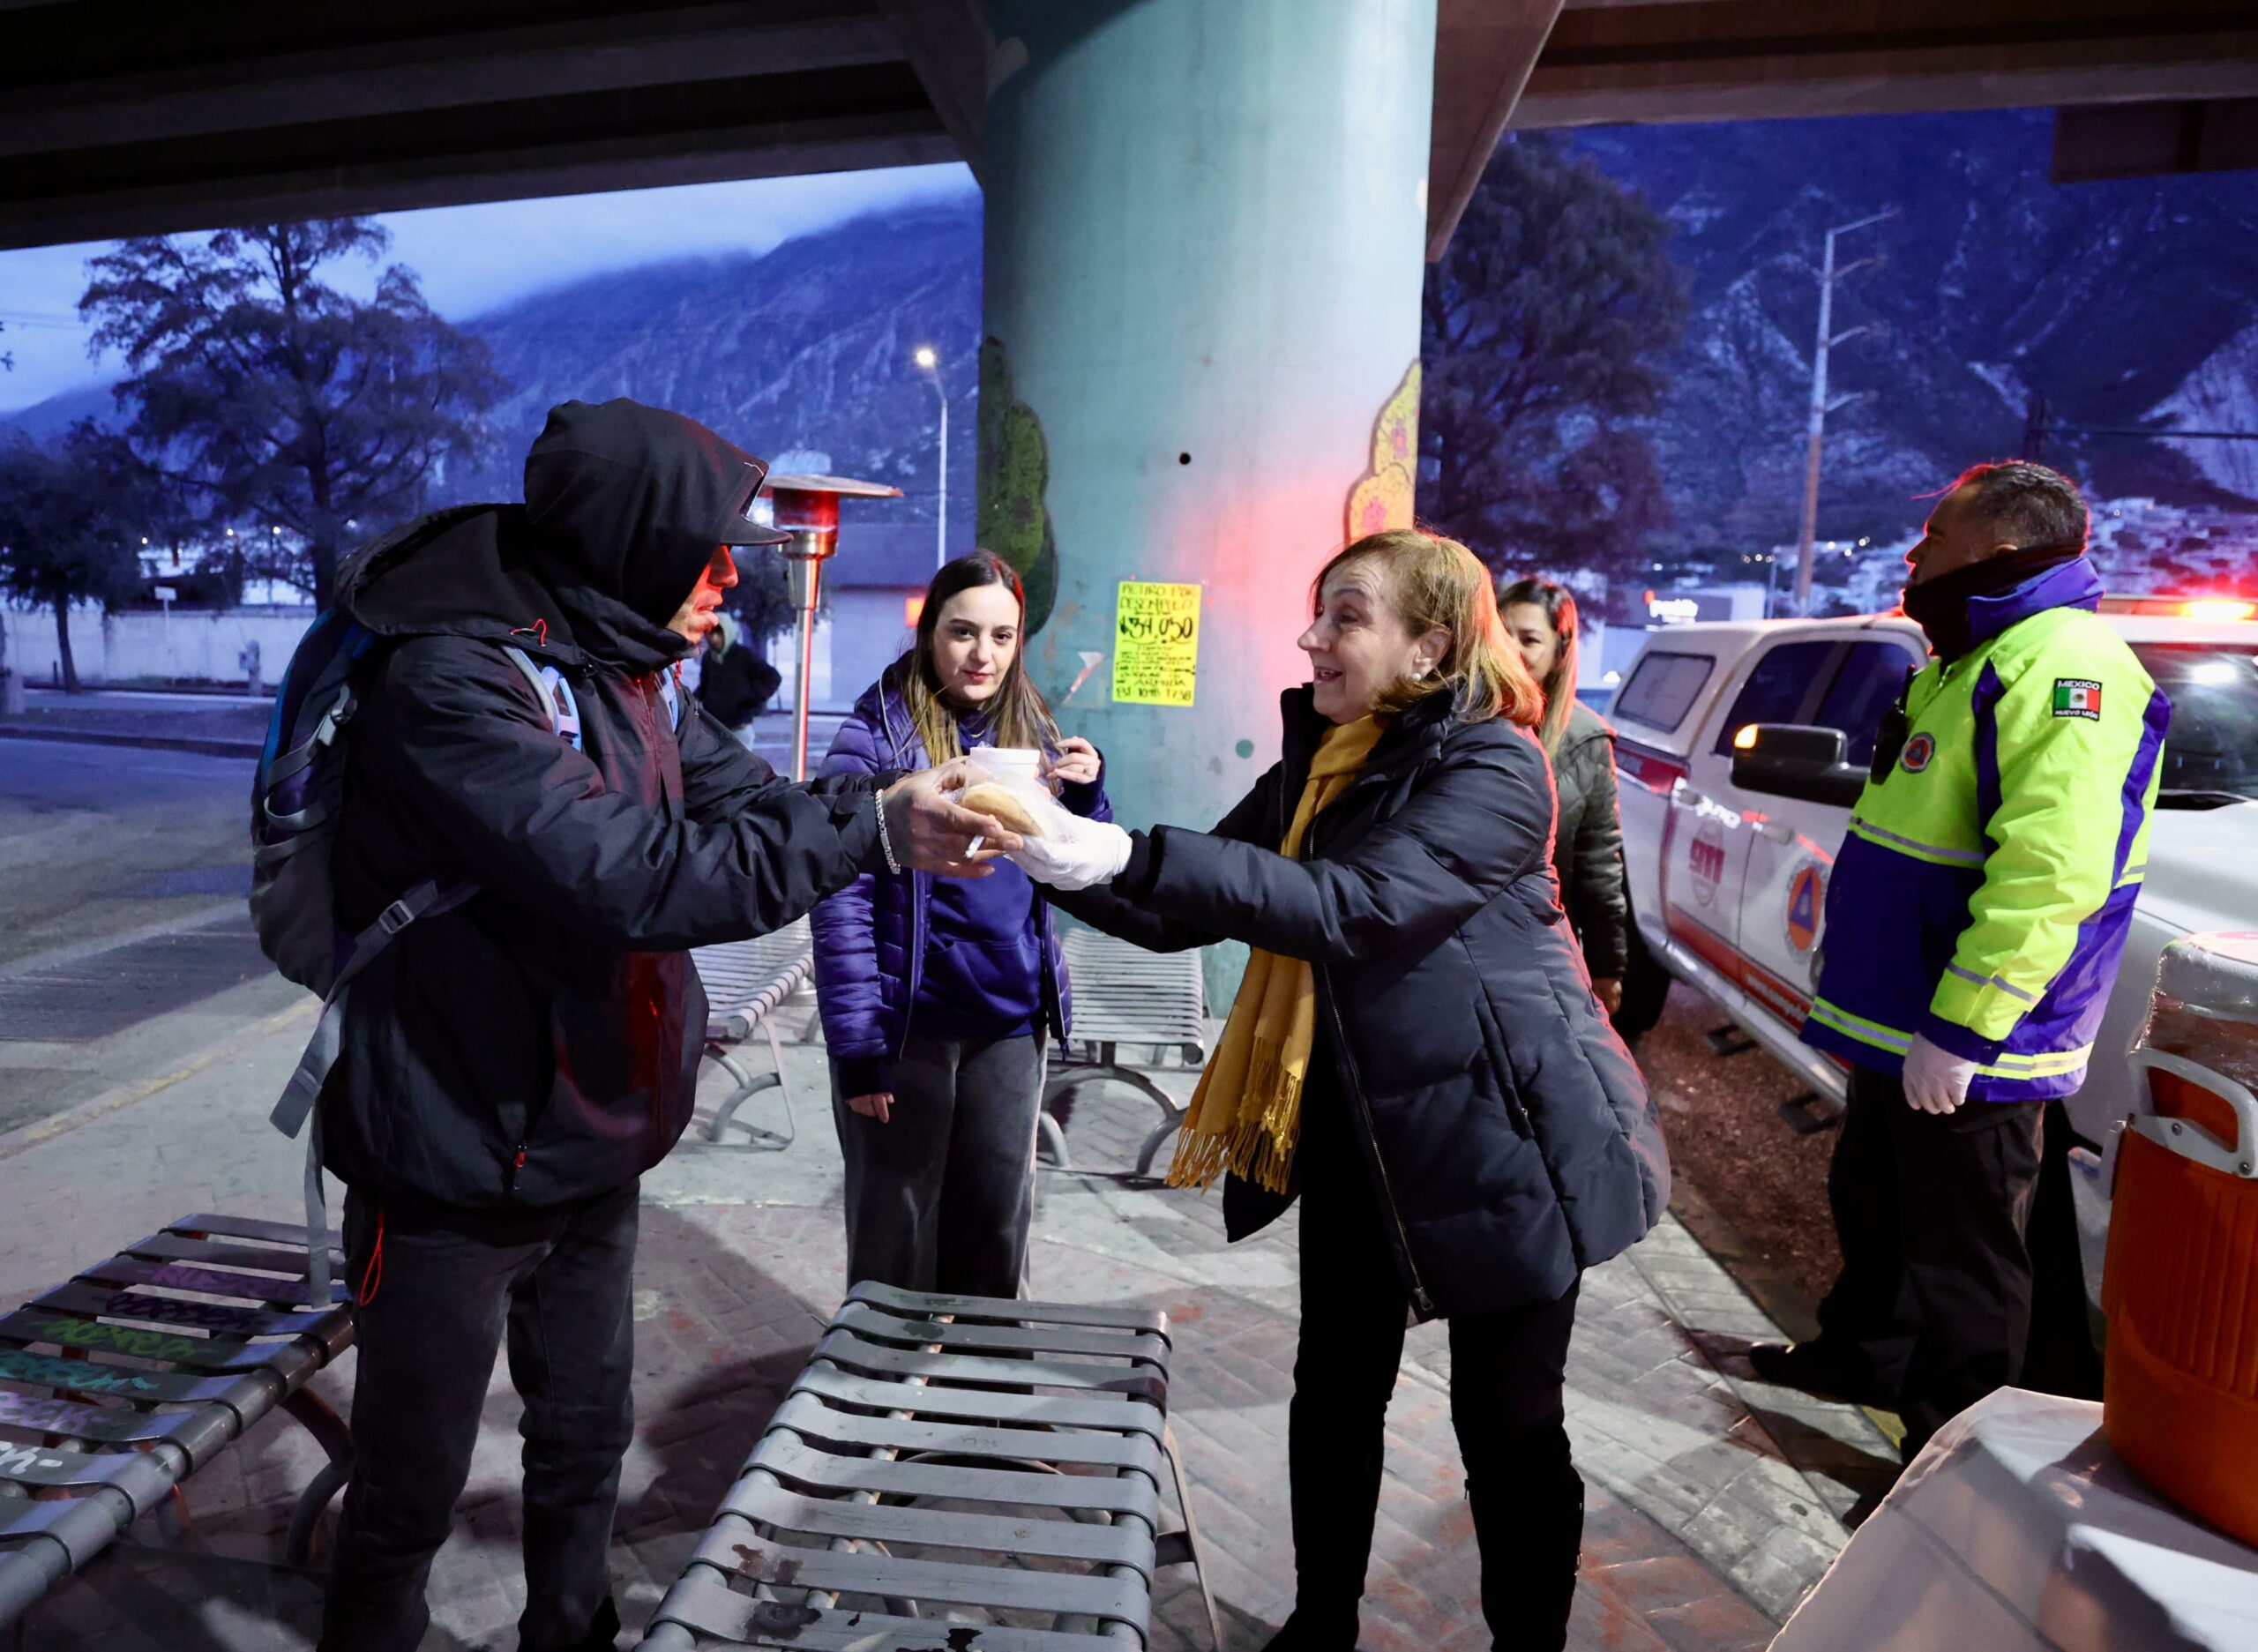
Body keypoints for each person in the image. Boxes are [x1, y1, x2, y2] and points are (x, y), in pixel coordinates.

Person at [316, 398, 1016, 1652]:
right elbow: (634, 873)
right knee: (406, 1494)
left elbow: (752, 802)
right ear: (621, 544)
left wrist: (903, 799)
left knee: (584, 1442)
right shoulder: (455, 677)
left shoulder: (628, 664)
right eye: (701, 552)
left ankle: (571, 1633)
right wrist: (869, 829)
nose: (725, 578)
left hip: (594, 1136)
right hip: (445, 1161)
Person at [1009, 527, 1670, 1651]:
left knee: (1507, 1428)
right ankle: (1321, 1624)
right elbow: (1187, 907)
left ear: (1429, 646)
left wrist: (1116, 854)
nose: (1311, 637)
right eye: (1317, 612)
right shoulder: (1328, 757)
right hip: (1366, 1128)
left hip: (1508, 1138)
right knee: (1332, 1396)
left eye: (1346, 616)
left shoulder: (1497, 767)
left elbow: (1349, 905)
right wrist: (1049, 843)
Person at [1753, 460, 2168, 1461]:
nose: (1913, 554)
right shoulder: (1976, 653)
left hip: (1970, 1034)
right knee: (1880, 1204)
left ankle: (1946, 1455)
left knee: (1965, 1260)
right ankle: (1861, 1355)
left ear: (1997, 548)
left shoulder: (2070, 666)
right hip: (1901, 1012)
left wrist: (1963, 1026)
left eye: (1933, 535)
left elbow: (2049, 872)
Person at [811, 550, 1111, 1297]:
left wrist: (1089, 797)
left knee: (995, 1228)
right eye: (963, 632)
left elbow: (1073, 863)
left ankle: (985, 1385)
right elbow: (838, 890)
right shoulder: (875, 732)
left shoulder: (1031, 725)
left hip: (1010, 1020)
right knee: (895, 1231)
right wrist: (857, 1045)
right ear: (929, 632)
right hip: (910, 1024)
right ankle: (882, 1387)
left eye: (1003, 637)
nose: (983, 655)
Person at [1499, 577, 1627, 1017]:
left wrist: (1608, 967)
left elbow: (1598, 865)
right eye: (1502, 634)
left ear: (1560, 649)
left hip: (1541, 954)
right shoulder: (1460, 719)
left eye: (1529, 639)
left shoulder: (1585, 740)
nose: (1511, 649)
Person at [696, 609, 782, 745]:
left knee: (739, 766)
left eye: (718, 633)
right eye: (710, 634)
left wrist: (752, 696)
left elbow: (773, 677)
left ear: (727, 632)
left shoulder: (744, 656)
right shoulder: (709, 658)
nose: (714, 638)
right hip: (714, 730)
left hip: (739, 729)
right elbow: (704, 686)